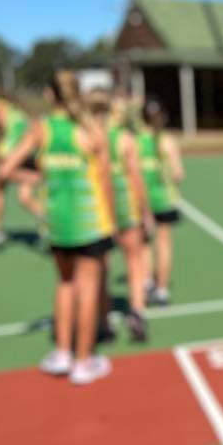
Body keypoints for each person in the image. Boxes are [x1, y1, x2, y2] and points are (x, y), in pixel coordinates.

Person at [0, 71, 115, 384]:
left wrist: (38, 178)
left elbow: (6, 169)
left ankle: (62, 353)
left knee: (64, 284)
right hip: (90, 222)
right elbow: (104, 182)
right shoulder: (92, 131)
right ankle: (83, 361)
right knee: (88, 290)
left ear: (50, 96)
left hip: (56, 224)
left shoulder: (40, 129)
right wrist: (112, 223)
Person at [87, 90, 152, 342]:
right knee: (134, 262)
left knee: (102, 267)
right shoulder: (124, 138)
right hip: (126, 206)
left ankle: (104, 321)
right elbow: (136, 178)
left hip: (99, 209)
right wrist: (145, 211)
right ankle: (137, 312)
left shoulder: (88, 137)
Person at [0, 89, 44, 245]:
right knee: (24, 197)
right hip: (27, 149)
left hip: (15, 147)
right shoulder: (12, 107)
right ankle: (49, 220)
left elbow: (5, 126)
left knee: (1, 179)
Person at [137, 99, 183, 306]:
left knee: (144, 243)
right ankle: (162, 289)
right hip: (164, 200)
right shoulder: (168, 141)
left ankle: (147, 282)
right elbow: (178, 173)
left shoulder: (135, 140)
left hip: (141, 201)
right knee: (164, 244)